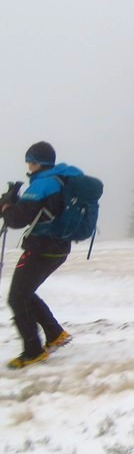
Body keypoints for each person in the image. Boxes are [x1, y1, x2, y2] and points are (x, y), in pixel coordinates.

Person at [1, 142, 75, 369]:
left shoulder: (42, 184)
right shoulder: (60, 180)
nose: (28, 165)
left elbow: (17, 219)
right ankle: (55, 333)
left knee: (17, 297)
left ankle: (33, 351)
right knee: (25, 293)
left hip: (42, 248)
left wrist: (5, 207)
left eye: (29, 161)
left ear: (36, 162)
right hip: (59, 248)